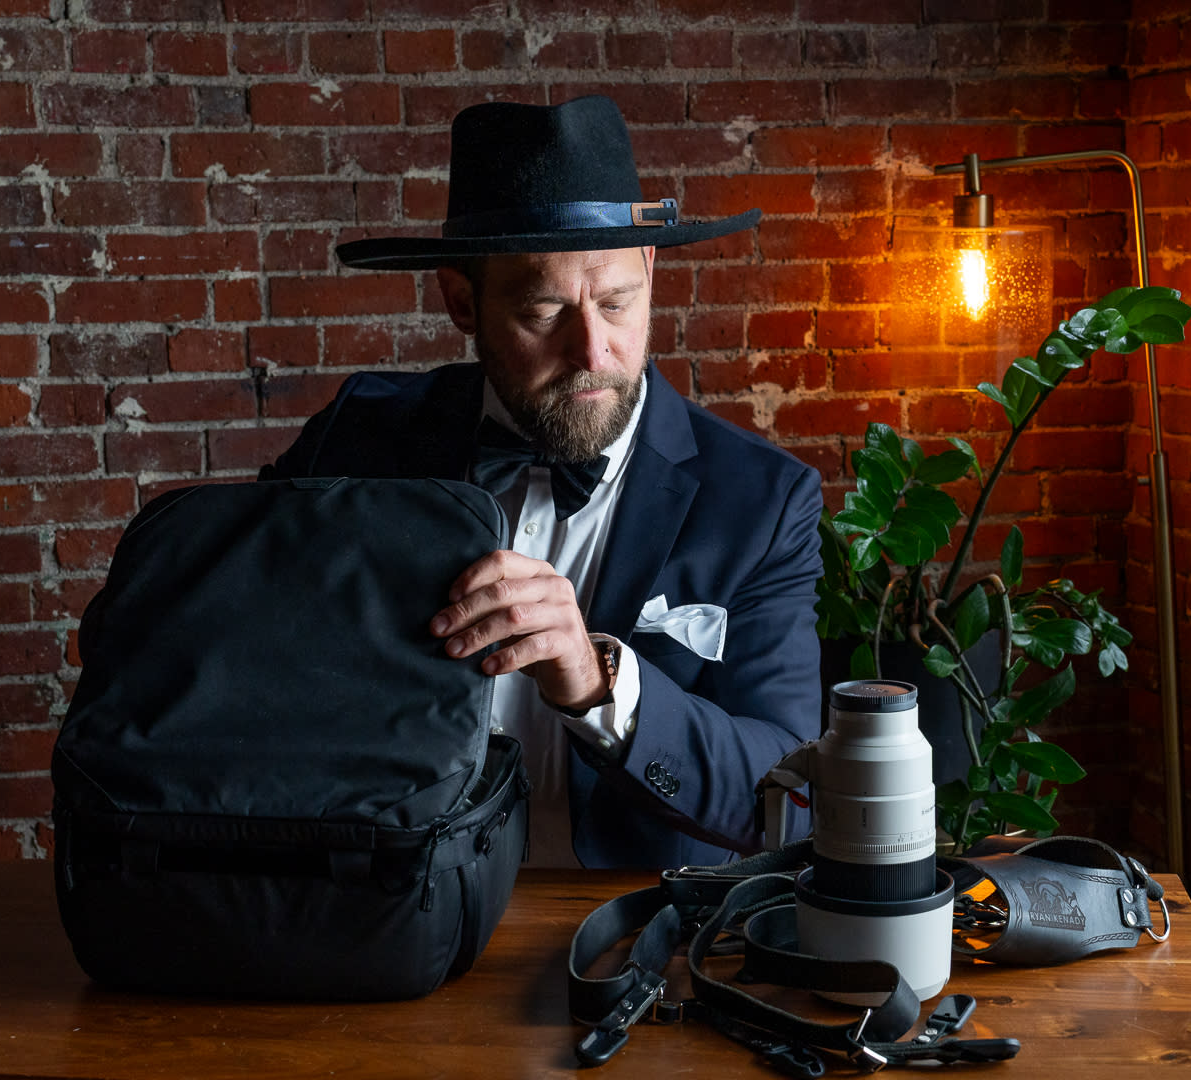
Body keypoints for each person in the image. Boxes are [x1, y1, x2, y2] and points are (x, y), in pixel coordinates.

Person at [260, 95, 822, 869]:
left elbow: (785, 792)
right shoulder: (358, 439)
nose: (593, 350)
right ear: (463, 300)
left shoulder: (762, 503)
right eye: (543, 310)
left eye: (617, 303)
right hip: (381, 925)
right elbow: (247, 652)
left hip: (635, 938)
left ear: (650, 271)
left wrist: (599, 684)